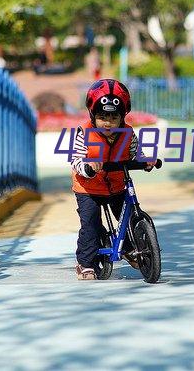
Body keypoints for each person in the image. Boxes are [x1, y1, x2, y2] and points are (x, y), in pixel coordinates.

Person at [71, 78, 156, 280]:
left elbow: (136, 153)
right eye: (102, 117)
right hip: (88, 187)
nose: (107, 122)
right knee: (90, 223)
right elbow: (76, 159)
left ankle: (128, 248)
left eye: (113, 117)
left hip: (117, 184)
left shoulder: (128, 133)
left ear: (122, 116)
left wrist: (145, 161)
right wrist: (88, 168)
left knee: (125, 216)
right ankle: (85, 264)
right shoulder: (85, 133)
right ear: (92, 114)